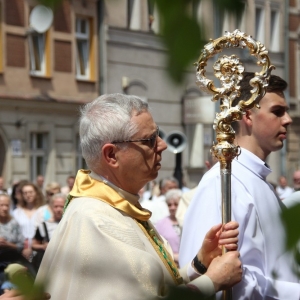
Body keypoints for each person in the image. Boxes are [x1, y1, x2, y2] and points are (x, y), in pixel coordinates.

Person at [36, 93, 242, 299]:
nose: (162, 145)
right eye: (150, 140)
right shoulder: (96, 220)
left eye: (158, 135)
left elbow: (151, 286)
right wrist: (212, 281)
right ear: (111, 155)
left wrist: (200, 264)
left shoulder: (117, 205)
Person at [179, 73, 300, 299]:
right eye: (277, 112)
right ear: (247, 115)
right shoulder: (223, 181)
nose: (288, 119)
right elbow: (215, 279)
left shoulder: (258, 179)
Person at [32, 193, 65, 271]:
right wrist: (43, 247)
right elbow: (33, 245)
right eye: (56, 206)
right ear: (51, 207)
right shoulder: (43, 225)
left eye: (62, 207)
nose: (59, 210)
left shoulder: (70, 225)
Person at [13, 183, 44, 261]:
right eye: (25, 193)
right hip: (21, 251)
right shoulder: (16, 213)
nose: (28, 195)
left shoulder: (43, 211)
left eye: (30, 192)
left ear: (36, 193)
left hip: (39, 251)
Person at [155, 189, 182, 265]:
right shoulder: (161, 223)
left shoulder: (188, 221)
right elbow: (158, 246)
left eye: (176, 204)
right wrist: (174, 256)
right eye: (169, 205)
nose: (172, 207)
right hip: (171, 264)